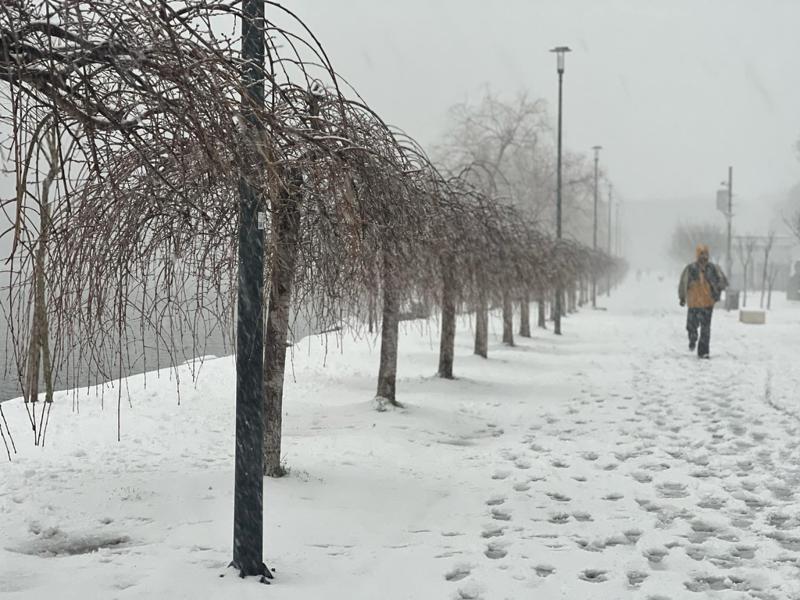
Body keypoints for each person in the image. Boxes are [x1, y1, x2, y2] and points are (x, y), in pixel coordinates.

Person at [678, 244, 728, 359]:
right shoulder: (690, 269)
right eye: (701, 254)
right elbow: (683, 283)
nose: (704, 257)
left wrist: (718, 287)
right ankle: (693, 337)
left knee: (705, 329)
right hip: (693, 303)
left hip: (707, 303)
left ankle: (703, 352)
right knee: (691, 326)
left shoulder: (713, 268)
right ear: (697, 255)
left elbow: (723, 281)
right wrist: (682, 297)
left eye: (705, 254)